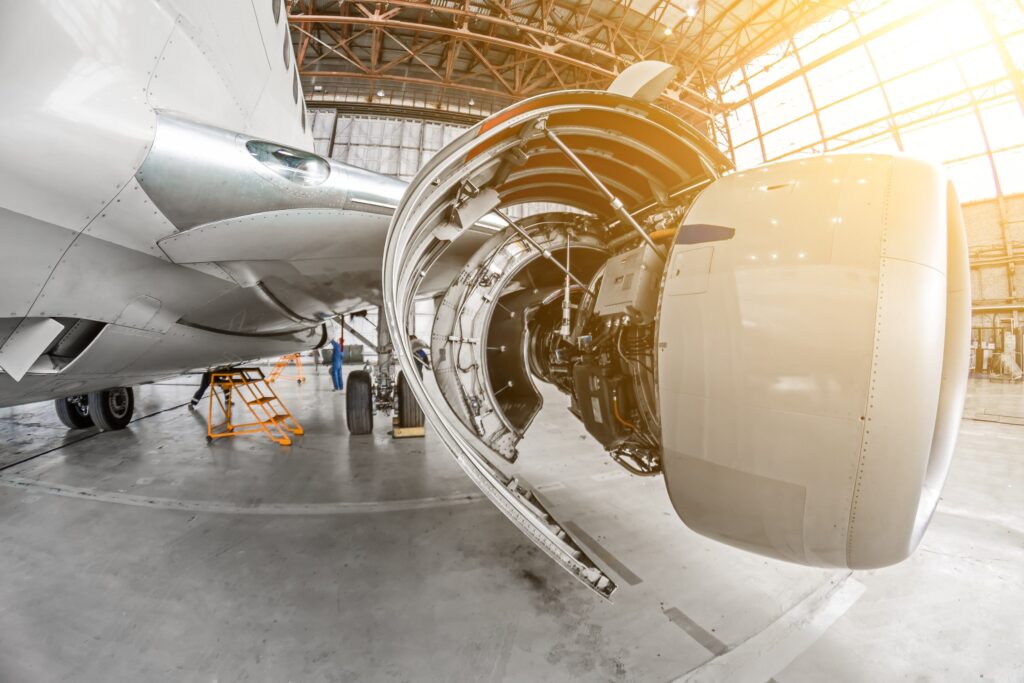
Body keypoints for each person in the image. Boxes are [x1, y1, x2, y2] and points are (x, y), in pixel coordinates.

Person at [328, 316, 344, 391]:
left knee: (334, 375)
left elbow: (331, 340)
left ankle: (336, 387)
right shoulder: (341, 347)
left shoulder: (337, 345)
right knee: (339, 375)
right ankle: (341, 387)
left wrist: (329, 333)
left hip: (335, 362)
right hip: (340, 363)